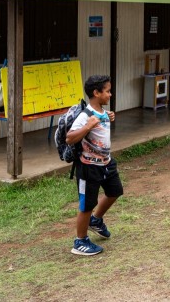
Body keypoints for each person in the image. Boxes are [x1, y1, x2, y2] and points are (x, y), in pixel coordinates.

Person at [66, 75, 123, 256]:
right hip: (89, 167)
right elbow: (69, 138)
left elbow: (102, 124)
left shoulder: (101, 113)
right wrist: (87, 127)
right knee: (86, 205)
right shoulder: (86, 116)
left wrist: (108, 117)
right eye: (107, 91)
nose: (110, 94)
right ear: (96, 93)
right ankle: (80, 241)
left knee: (115, 191)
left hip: (106, 163)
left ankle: (96, 220)